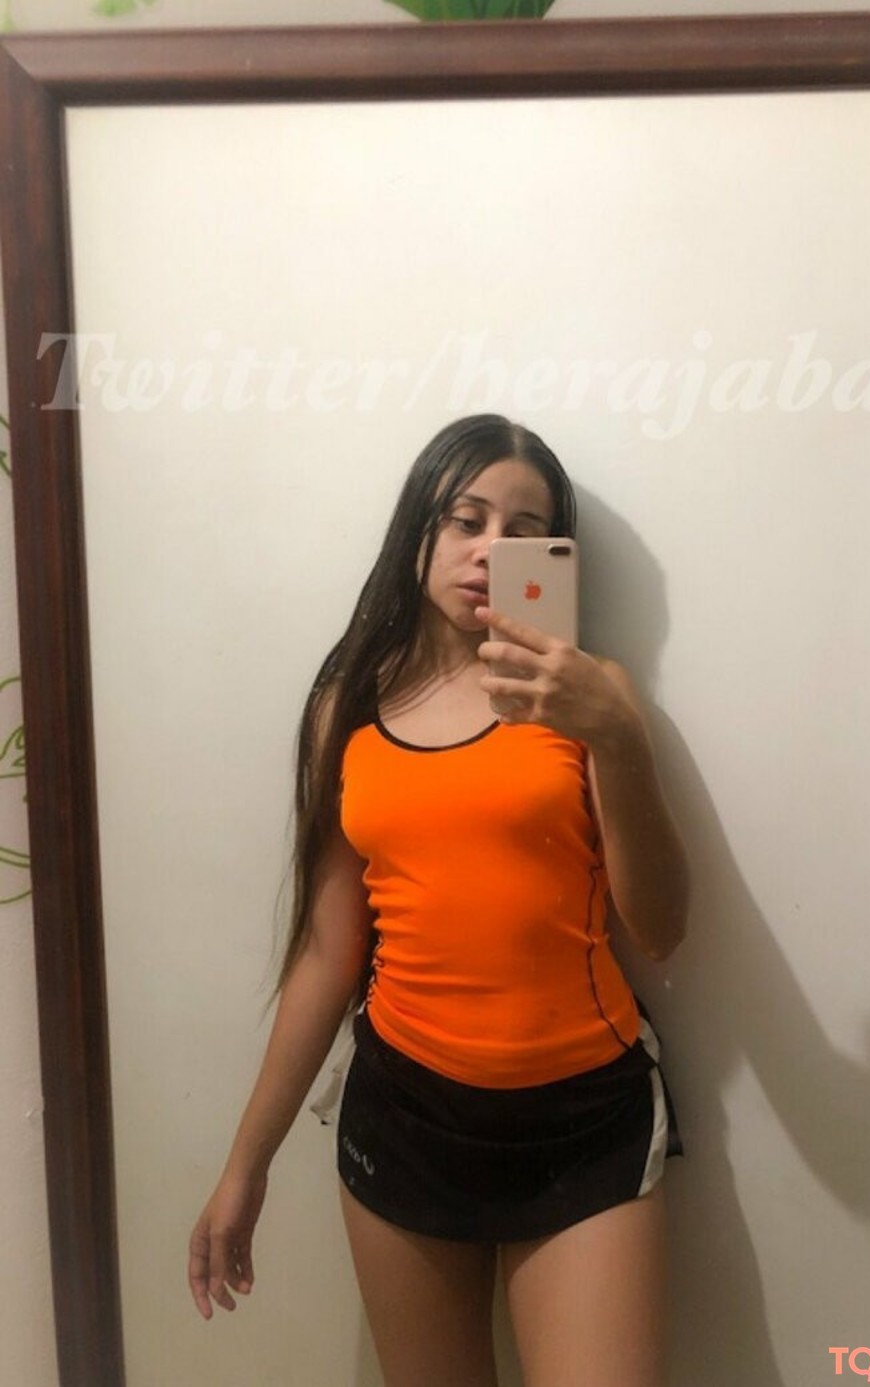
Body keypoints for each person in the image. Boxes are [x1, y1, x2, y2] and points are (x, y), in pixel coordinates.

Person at [187, 414, 690, 1387]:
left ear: (555, 555)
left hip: (585, 1123)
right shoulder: (349, 706)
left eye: (524, 530)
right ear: (419, 529)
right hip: (405, 1118)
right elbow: (328, 952)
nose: (490, 549)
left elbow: (662, 928)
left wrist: (617, 736)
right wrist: (246, 1164)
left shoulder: (594, 696)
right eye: (467, 519)